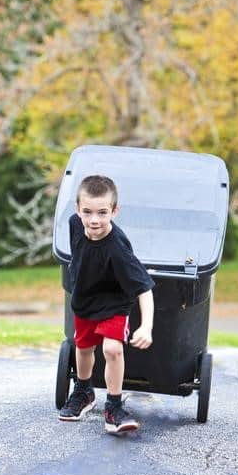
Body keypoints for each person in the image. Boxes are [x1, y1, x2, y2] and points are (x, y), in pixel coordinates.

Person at [59, 174, 155, 434]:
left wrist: (146, 327)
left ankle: (113, 407)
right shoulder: (74, 225)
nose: (94, 220)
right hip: (85, 300)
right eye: (87, 211)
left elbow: (144, 289)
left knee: (112, 349)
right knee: (84, 347)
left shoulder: (118, 249)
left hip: (114, 304)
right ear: (78, 209)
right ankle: (83, 392)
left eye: (102, 212)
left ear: (114, 211)